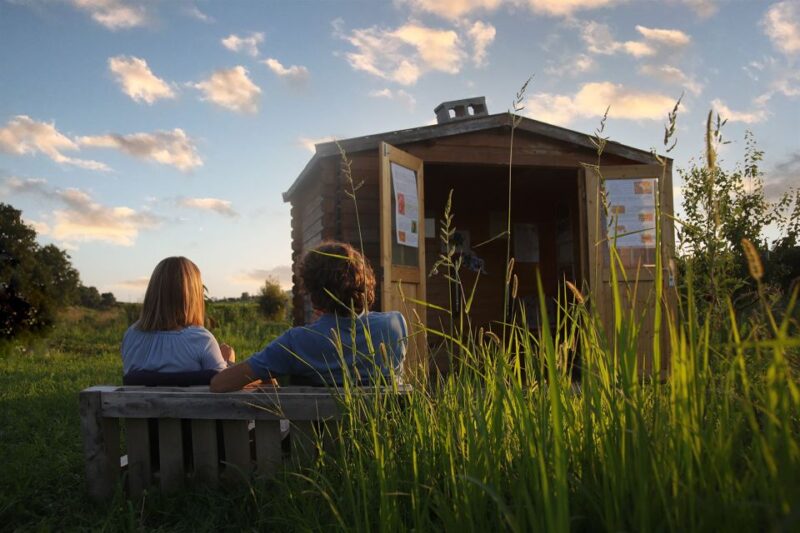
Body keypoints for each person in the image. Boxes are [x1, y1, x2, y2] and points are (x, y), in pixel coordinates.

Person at [210, 242, 407, 392]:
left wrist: (228, 362)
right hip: (383, 443)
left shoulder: (296, 342)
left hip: (312, 444)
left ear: (314, 295)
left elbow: (219, 384)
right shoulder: (395, 325)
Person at [122, 256, 233, 385]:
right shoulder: (202, 340)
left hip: (138, 405)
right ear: (193, 296)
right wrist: (228, 362)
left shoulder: (131, 336)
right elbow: (224, 385)